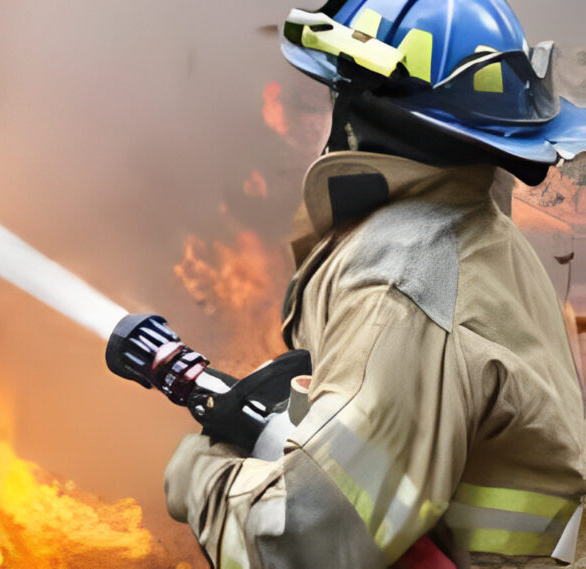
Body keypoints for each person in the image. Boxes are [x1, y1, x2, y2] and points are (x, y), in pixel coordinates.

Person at [162, 1, 586, 567]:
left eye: (331, 90)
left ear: (363, 106)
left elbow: (298, 543)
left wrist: (200, 470)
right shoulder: (482, 239)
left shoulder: (404, 282)